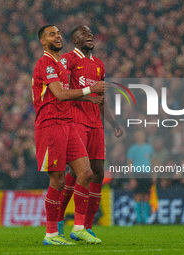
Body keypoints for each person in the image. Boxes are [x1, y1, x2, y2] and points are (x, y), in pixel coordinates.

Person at [33, 25, 105, 245]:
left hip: (67, 124)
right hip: (50, 125)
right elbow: (61, 95)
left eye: (58, 33)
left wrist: (86, 99)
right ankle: (52, 233)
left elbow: (66, 95)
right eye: (51, 34)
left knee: (85, 173)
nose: (57, 36)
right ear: (43, 42)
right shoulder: (45, 63)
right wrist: (90, 90)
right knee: (58, 179)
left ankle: (80, 226)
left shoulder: (59, 66)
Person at [57, 25, 123, 239]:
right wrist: (89, 94)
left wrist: (113, 123)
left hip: (95, 124)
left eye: (90, 34)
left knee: (98, 173)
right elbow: (64, 92)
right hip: (76, 121)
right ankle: (58, 220)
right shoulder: (68, 60)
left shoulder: (99, 65)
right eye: (83, 33)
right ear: (74, 40)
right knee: (78, 172)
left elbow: (101, 100)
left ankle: (87, 226)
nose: (89, 36)